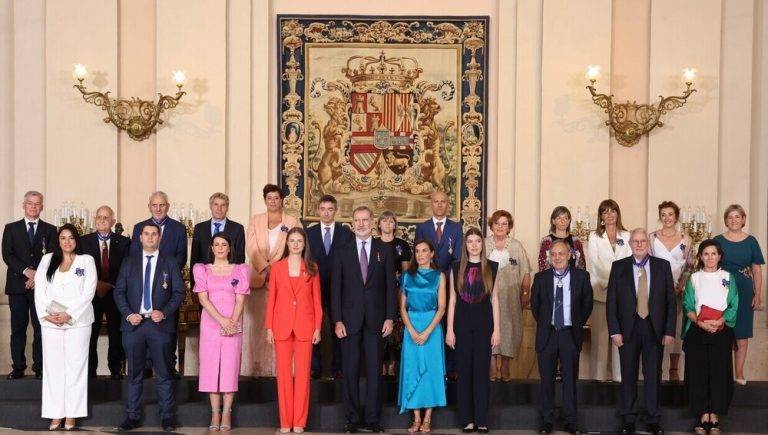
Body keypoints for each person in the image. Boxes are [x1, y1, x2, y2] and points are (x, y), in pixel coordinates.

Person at [114, 222, 185, 432]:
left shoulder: (169, 262)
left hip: (159, 325)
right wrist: (128, 315)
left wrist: (163, 312)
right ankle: (132, 416)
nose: (151, 237)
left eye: (155, 234)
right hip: (134, 326)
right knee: (134, 374)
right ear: (140, 238)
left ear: (160, 238)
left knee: (164, 373)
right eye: (147, 234)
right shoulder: (128, 262)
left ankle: (167, 417)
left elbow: (178, 293)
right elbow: (119, 292)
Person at [331, 206, 396, 433]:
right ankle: (351, 419)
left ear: (373, 222)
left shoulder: (384, 250)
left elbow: (390, 287)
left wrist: (390, 317)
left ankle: (372, 419)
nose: (361, 224)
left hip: (377, 321)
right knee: (350, 371)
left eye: (365, 220)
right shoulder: (342, 250)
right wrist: (337, 320)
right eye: (357, 220)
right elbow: (336, 289)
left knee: (374, 370)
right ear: (352, 222)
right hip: (348, 321)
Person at [606, 228, 676, 435]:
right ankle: (628, 418)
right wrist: (614, 331)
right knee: (628, 375)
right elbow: (612, 303)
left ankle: (653, 419)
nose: (639, 244)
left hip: (654, 329)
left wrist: (669, 330)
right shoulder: (618, 267)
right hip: (628, 329)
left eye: (642, 241)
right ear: (630, 244)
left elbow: (671, 302)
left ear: (648, 243)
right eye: (635, 241)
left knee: (653, 374)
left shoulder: (662, 266)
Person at [34, 224, 96, 430]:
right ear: (58, 240)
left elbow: (89, 292)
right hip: (51, 322)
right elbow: (40, 291)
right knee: (53, 368)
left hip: (78, 321)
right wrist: (46, 314)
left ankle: (72, 414)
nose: (67, 242)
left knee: (75, 367)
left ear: (76, 240)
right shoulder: (47, 259)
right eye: (63, 238)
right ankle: (55, 414)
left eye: (70, 238)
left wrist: (69, 314)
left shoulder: (86, 261)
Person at [531, 240, 593, 434]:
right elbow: (536, 306)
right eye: (554, 254)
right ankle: (547, 421)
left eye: (561, 254)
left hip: (569, 334)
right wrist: (546, 323)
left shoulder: (581, 277)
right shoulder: (540, 278)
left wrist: (575, 323)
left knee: (569, 380)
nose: (557, 257)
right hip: (547, 334)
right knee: (547, 381)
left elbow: (587, 304)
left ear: (569, 255)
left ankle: (570, 420)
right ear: (550, 257)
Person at [266, 227, 322, 434]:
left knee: (303, 376)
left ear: (304, 244)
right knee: (283, 377)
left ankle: (299, 421)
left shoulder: (312, 268)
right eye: (292, 241)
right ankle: (285, 422)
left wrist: (318, 327)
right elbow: (271, 299)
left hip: (306, 327)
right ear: (287, 243)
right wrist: (269, 327)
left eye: (300, 241)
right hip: (281, 326)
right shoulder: (277, 268)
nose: (296, 244)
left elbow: (317, 301)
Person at [193, 233, 250, 432]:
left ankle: (226, 411)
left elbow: (241, 299)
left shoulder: (240, 270)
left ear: (229, 248)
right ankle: (214, 412)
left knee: (229, 366)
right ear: (211, 247)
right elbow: (203, 300)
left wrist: (232, 322)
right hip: (211, 324)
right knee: (210, 368)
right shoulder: (202, 269)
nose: (219, 248)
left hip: (233, 324)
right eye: (216, 244)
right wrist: (222, 321)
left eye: (223, 244)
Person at [445, 227, 500, 434]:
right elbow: (451, 300)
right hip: (462, 325)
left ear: (482, 245)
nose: (474, 245)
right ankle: (467, 419)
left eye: (478, 241)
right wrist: (449, 329)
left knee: (481, 373)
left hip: (484, 325)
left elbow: (495, 300)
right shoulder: (456, 267)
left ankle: (482, 419)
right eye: (470, 241)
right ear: (465, 245)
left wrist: (497, 330)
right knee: (465, 372)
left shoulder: (492, 267)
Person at [681, 239, 738, 434]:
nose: (710, 257)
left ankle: (714, 415)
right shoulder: (694, 278)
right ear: (700, 257)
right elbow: (688, 305)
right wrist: (700, 322)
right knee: (699, 373)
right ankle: (702, 414)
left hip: (721, 331)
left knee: (719, 372)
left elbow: (734, 304)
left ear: (720, 256)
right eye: (706, 254)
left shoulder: (728, 277)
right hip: (698, 330)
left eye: (714, 254)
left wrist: (720, 321)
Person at [130, 191, 188, 377]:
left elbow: (181, 256)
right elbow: (133, 258)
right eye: (154, 205)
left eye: (162, 205)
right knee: (142, 333)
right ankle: (145, 371)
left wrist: (166, 276)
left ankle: (168, 369)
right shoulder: (140, 227)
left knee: (168, 332)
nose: (158, 208)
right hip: (143, 291)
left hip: (167, 289)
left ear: (168, 206)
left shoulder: (179, 228)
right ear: (149, 207)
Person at [2, 191, 56, 380]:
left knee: (41, 327)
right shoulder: (11, 228)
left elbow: (52, 257)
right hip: (17, 286)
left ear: (42, 206)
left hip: (40, 287)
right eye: (30, 203)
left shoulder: (50, 230)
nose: (33, 207)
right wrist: (26, 271)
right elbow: (7, 255)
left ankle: (40, 367)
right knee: (18, 328)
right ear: (23, 205)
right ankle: (18, 367)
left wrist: (37, 276)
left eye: (37, 204)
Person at [244, 184, 297, 376]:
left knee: (280, 325)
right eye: (269, 198)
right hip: (259, 278)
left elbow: (295, 245)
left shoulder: (291, 221)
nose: (273, 201)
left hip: (283, 278)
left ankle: (277, 367)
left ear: (281, 199)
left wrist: (277, 270)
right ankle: (257, 367)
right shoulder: (256, 220)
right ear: (264, 200)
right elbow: (251, 247)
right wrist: (266, 269)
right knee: (259, 324)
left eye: (276, 198)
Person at [398, 239, 446, 433]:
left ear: (432, 253)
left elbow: (442, 307)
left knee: (430, 372)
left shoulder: (440, 276)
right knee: (412, 369)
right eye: (417, 251)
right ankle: (416, 418)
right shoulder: (407, 277)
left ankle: (427, 418)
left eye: (424, 251)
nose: (420, 255)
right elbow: (402, 308)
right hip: (411, 325)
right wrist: (411, 330)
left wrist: (426, 332)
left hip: (432, 327)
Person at [713, 204, 764, 385]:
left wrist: (757, 294)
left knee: (741, 334)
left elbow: (756, 270)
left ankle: (739, 373)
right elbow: (709, 263)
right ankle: (722, 374)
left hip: (743, 289)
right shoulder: (718, 240)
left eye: (737, 217)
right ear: (725, 220)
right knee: (722, 332)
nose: (733, 220)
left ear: (743, 219)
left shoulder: (751, 241)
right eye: (730, 217)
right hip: (721, 289)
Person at [415, 191, 462, 378]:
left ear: (448, 205)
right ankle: (430, 369)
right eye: (436, 202)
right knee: (430, 324)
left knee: (448, 324)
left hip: (450, 283)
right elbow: (419, 255)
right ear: (431, 205)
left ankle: (449, 369)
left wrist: (444, 279)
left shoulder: (456, 227)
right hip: (426, 284)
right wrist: (432, 277)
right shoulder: (423, 227)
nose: (440, 204)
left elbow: (457, 257)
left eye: (443, 202)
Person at [305, 194, 353, 379]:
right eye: (323, 209)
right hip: (313, 288)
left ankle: (338, 368)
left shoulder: (346, 233)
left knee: (338, 328)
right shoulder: (308, 233)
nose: (326, 213)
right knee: (312, 328)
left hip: (339, 289)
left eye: (330, 209)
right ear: (318, 210)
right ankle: (314, 368)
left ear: (336, 211)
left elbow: (350, 263)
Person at [82, 205, 130, 379]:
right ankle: (90, 370)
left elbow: (126, 269)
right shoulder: (83, 241)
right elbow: (80, 269)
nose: (102, 220)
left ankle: (115, 369)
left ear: (113, 221)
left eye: (106, 217)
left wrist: (109, 285)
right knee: (90, 333)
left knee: (116, 333)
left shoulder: (124, 242)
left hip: (115, 294)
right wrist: (95, 284)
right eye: (99, 217)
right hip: (91, 296)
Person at [648, 201, 694, 382]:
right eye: (663, 214)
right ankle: (655, 367)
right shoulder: (651, 237)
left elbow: (690, 266)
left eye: (670, 214)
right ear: (660, 216)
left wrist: (681, 285)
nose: (667, 218)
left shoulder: (686, 238)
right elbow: (647, 264)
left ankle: (673, 368)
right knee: (655, 326)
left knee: (675, 327)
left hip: (678, 290)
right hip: (656, 290)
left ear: (676, 217)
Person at [587, 199, 631, 382]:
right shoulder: (594, 237)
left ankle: (620, 378)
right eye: (605, 212)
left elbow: (631, 262)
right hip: (600, 292)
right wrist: (612, 282)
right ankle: (598, 379)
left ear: (618, 214)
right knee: (600, 337)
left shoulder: (627, 236)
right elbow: (594, 263)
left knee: (620, 337)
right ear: (601, 217)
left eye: (613, 211)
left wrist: (619, 285)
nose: (610, 214)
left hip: (624, 294)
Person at [485, 210, 530, 381]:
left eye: (504, 224)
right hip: (487, 297)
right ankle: (491, 364)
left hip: (511, 297)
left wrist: (526, 292)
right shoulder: (484, 243)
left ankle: (505, 365)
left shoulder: (516, 246)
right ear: (492, 225)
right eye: (497, 223)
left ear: (509, 226)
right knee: (489, 328)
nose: (500, 227)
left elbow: (525, 271)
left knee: (511, 331)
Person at [377, 210, 412, 378]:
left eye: (391, 221)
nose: (388, 224)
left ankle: (393, 365)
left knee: (397, 329)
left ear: (395, 225)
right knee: (379, 327)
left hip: (398, 290)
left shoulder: (402, 245)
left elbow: (406, 272)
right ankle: (381, 364)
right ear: (379, 224)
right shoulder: (373, 244)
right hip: (377, 292)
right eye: (384, 221)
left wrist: (402, 292)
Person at [190, 192, 246, 289]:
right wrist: (195, 286)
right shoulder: (199, 228)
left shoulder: (237, 229)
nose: (219, 209)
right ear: (211, 206)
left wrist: (234, 285)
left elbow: (240, 260)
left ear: (227, 208)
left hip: (229, 285)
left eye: (223, 205)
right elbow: (194, 259)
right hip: (204, 284)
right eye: (216, 205)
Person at [537, 206, 586, 271]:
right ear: (553, 221)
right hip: (552, 279)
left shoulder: (576, 241)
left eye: (565, 218)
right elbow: (542, 266)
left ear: (569, 221)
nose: (562, 221)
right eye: (559, 218)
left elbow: (581, 265)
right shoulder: (546, 241)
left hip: (574, 279)